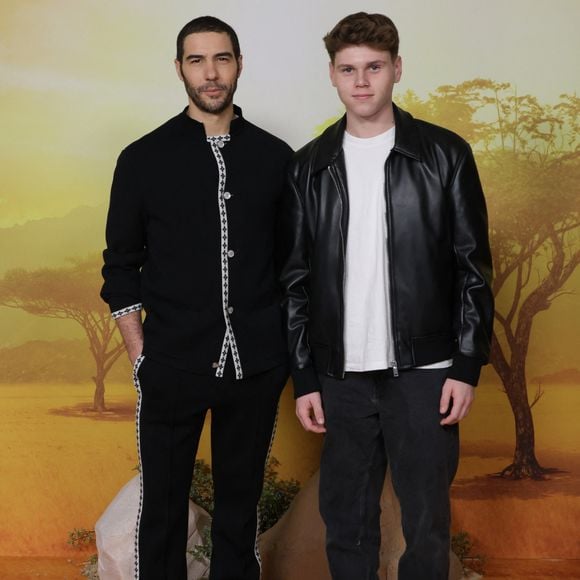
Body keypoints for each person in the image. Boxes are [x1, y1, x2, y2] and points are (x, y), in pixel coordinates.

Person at [280, 12, 494, 580]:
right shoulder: (308, 168)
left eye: (374, 67)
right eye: (348, 69)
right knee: (345, 519)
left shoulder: (446, 155)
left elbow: (472, 267)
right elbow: (295, 281)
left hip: (427, 371)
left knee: (426, 522)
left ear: (397, 68)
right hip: (341, 376)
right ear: (332, 75)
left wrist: (466, 365)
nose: (361, 81)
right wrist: (305, 377)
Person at [101, 16, 292, 580]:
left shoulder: (276, 158)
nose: (211, 74)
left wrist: (281, 350)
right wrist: (141, 356)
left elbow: (292, 266)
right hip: (171, 362)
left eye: (222, 59)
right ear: (179, 68)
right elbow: (120, 268)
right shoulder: (141, 159)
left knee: (241, 506)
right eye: (196, 60)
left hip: (256, 364)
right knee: (161, 506)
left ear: (239, 63)